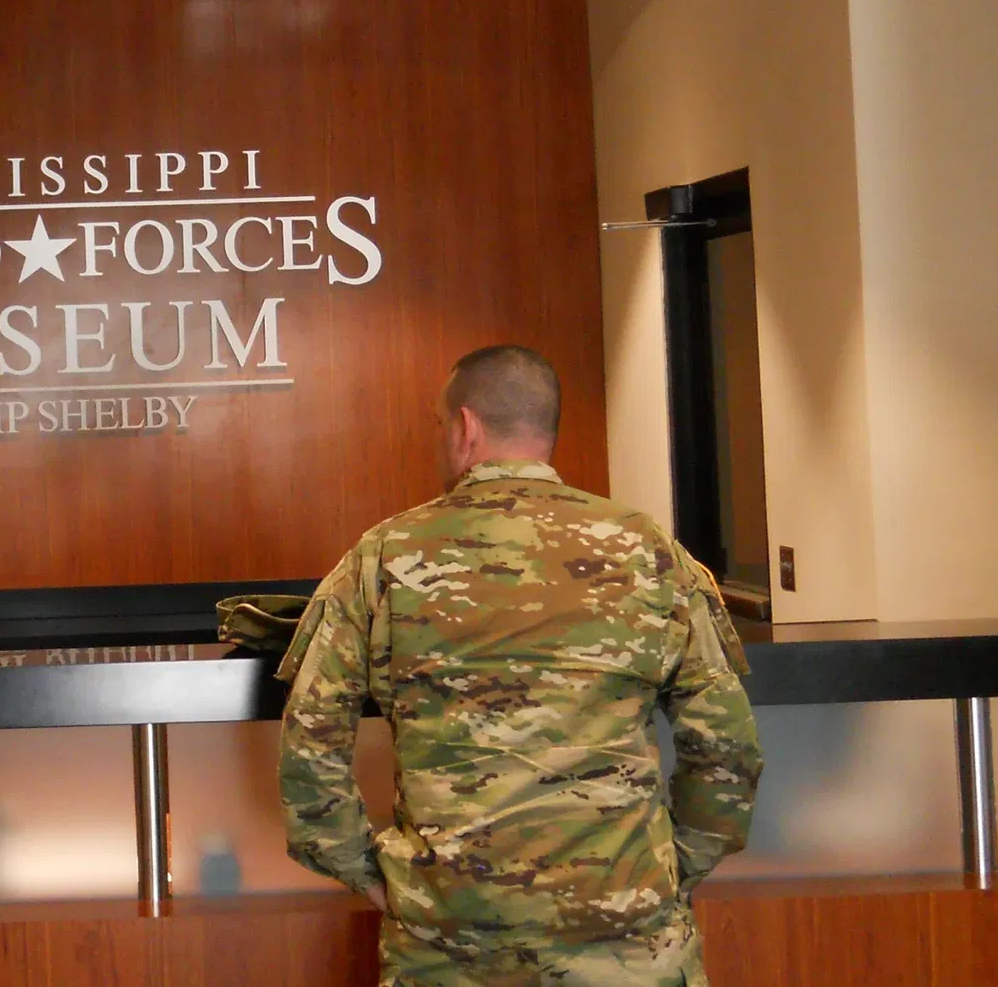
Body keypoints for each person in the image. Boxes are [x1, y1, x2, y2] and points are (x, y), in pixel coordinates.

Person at [277, 345, 762, 986]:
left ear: (467, 428)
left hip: (448, 950)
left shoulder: (385, 556)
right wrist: (663, 872)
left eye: (439, 426)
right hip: (628, 946)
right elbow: (725, 749)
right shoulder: (648, 550)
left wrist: (380, 880)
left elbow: (311, 746)